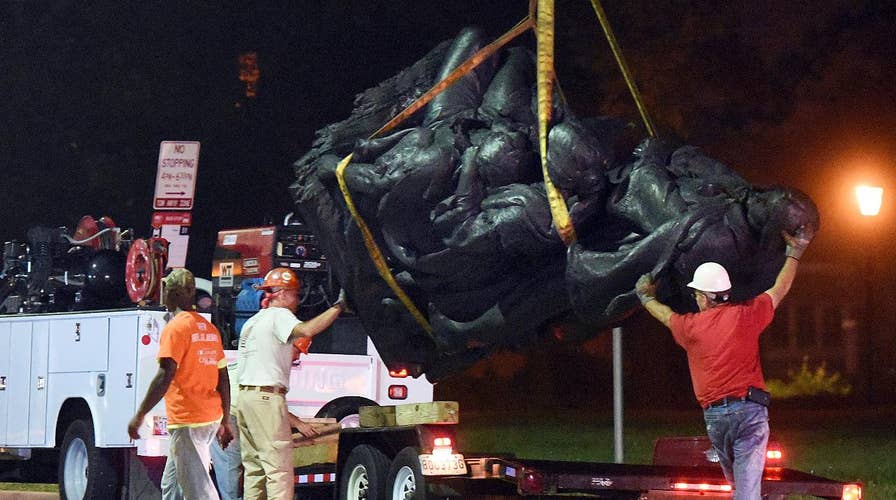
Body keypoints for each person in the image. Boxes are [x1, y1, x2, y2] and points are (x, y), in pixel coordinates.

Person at [635, 227, 813, 500]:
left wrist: (646, 297)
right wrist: (795, 253)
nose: (695, 299)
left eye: (696, 295)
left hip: (716, 419)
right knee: (745, 491)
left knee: (741, 489)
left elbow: (665, 315)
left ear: (706, 297)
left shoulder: (691, 327)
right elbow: (780, 289)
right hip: (750, 414)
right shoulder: (747, 316)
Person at [235, 267, 349, 500]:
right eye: (296, 294)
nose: (297, 300)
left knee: (255, 470)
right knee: (279, 470)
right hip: (266, 398)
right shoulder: (280, 316)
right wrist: (338, 307)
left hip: (246, 399)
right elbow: (306, 329)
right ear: (284, 293)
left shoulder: (254, 321)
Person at [128, 268, 234, 500]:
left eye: (166, 289)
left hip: (189, 419)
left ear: (173, 293)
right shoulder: (209, 329)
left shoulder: (176, 328)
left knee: (199, 490)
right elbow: (223, 378)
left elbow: (165, 375)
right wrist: (225, 420)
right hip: (209, 417)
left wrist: (140, 415)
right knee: (172, 485)